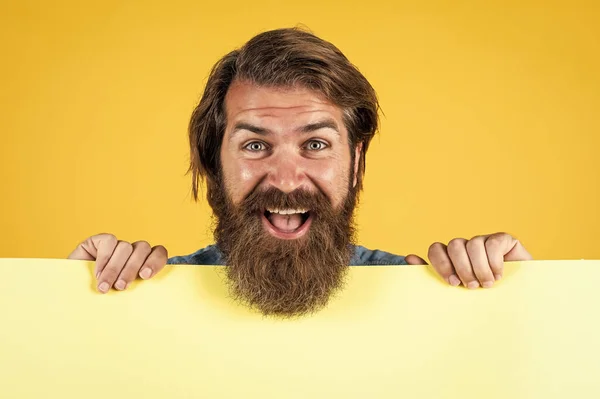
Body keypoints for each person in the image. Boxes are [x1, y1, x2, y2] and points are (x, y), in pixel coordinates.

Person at [68, 27, 533, 317]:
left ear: (356, 162)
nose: (286, 180)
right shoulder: (149, 300)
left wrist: (522, 301)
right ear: (213, 163)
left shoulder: (423, 297)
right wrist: (71, 303)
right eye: (254, 145)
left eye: (315, 144)